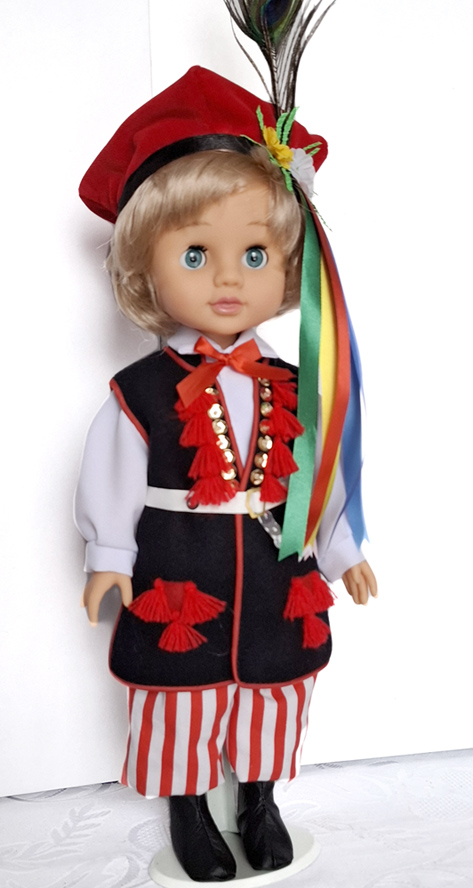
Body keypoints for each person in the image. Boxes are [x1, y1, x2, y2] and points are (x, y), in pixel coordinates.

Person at [75, 66, 377, 882]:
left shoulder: (298, 384)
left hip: (279, 573)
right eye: (195, 253)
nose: (228, 277)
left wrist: (343, 552)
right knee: (180, 699)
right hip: (181, 570)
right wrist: (109, 558)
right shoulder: (139, 391)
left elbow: (320, 478)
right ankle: (188, 811)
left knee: (273, 693)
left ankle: (258, 802)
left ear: (288, 266)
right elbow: (111, 477)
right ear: (144, 268)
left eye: (253, 253)